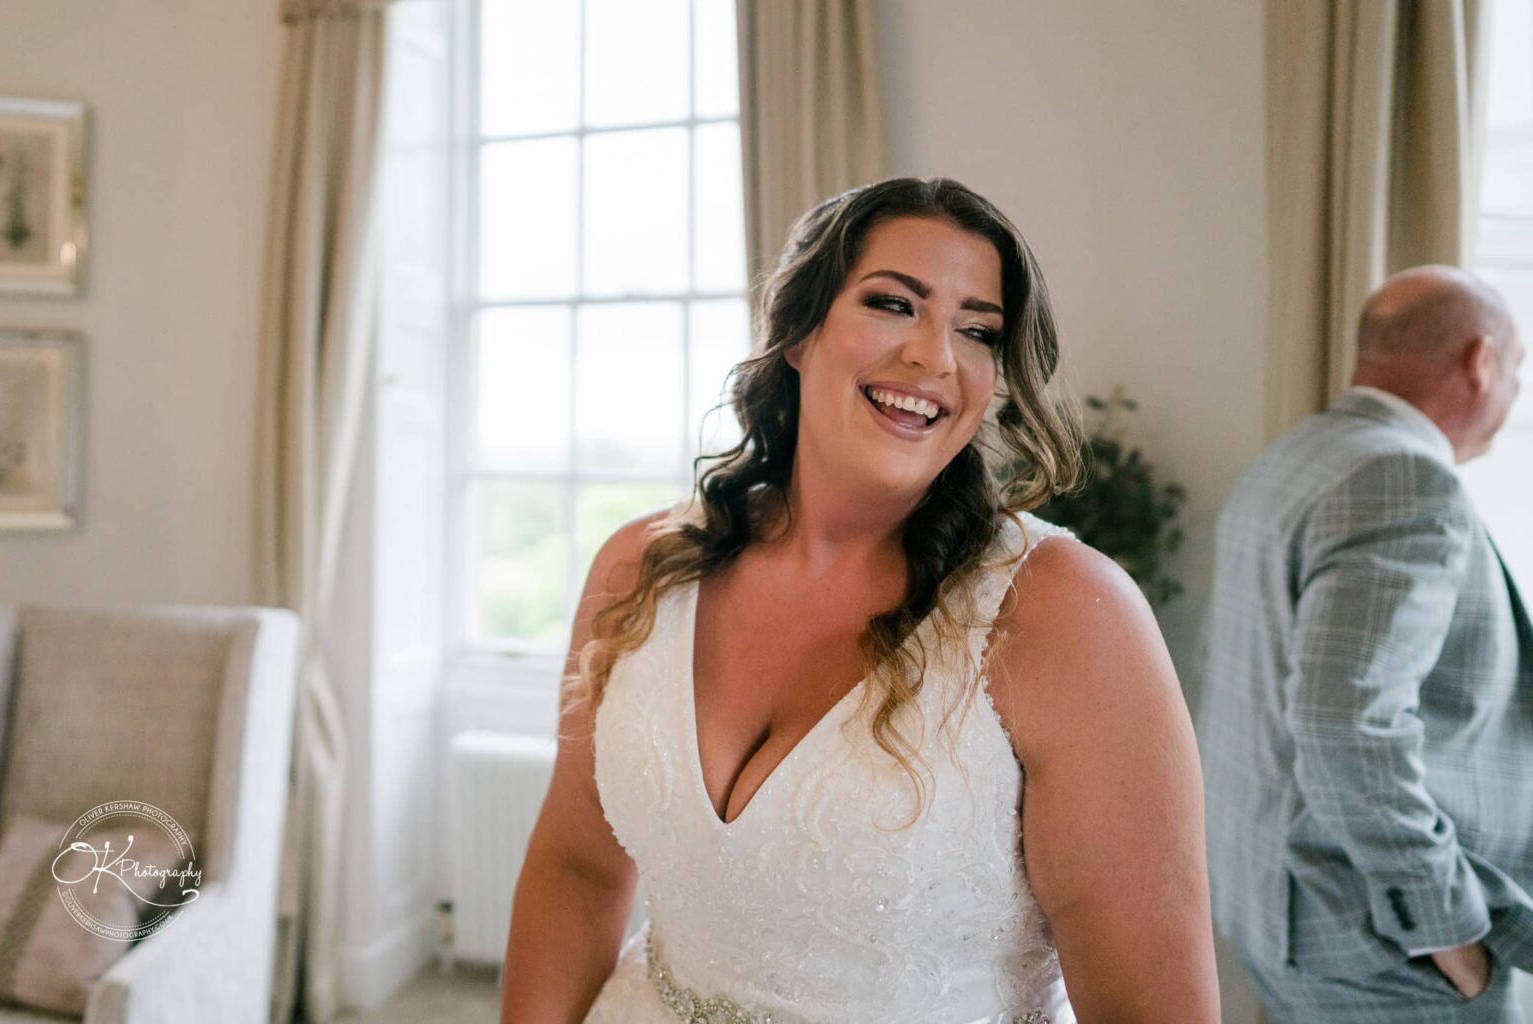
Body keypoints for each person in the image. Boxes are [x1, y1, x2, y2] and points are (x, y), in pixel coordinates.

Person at [502, 177, 1220, 1024]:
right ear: (798, 332)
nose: (935, 356)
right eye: (893, 303)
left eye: (977, 330)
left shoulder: (1063, 613)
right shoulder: (642, 570)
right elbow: (578, 869)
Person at [1198, 265, 1533, 1022]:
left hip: (1274, 903)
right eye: (1518, 369)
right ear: (1481, 361)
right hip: (1380, 942)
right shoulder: (1404, 478)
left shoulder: (1297, 454)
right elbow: (1347, 723)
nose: (1516, 392)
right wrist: (1447, 928)